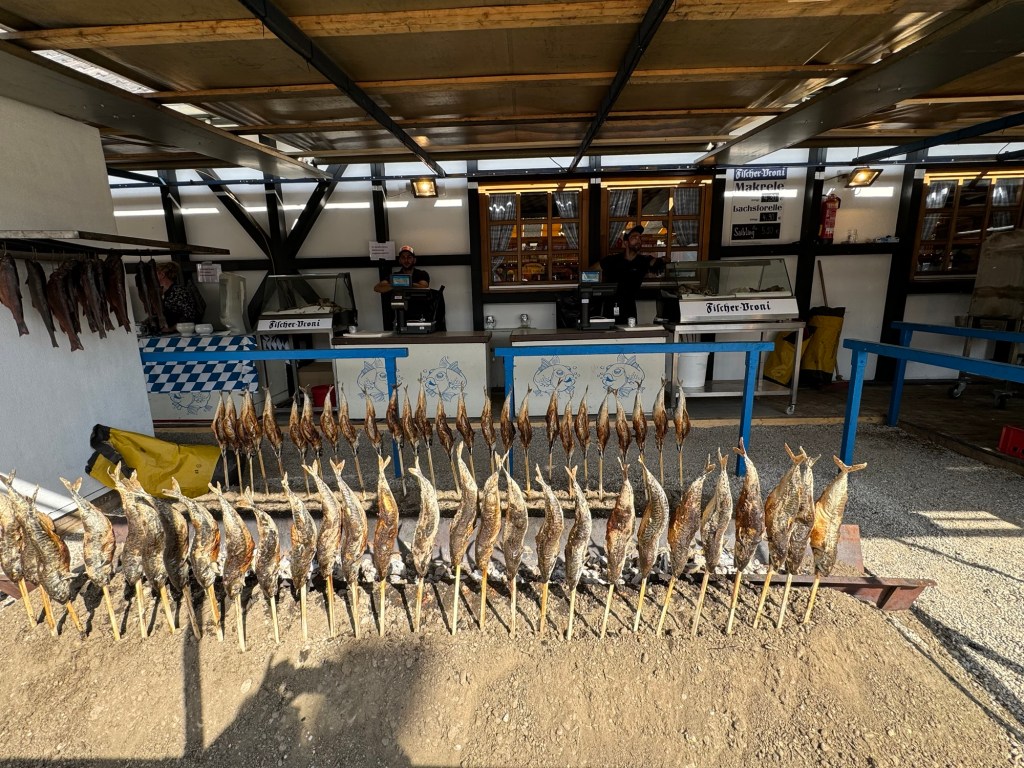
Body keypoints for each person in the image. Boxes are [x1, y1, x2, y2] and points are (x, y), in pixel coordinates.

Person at [599, 224, 664, 323]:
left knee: (630, 331)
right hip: (610, 306)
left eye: (640, 238)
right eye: (634, 237)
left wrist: (663, 260)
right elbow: (591, 271)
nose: (638, 240)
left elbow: (656, 262)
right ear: (625, 243)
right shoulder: (612, 260)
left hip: (629, 308)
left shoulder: (643, 261)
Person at [154, 261, 203, 330]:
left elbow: (190, 315)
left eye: (154, 274)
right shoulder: (162, 292)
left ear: (162, 275)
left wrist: (172, 328)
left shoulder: (179, 291)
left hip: (182, 332)